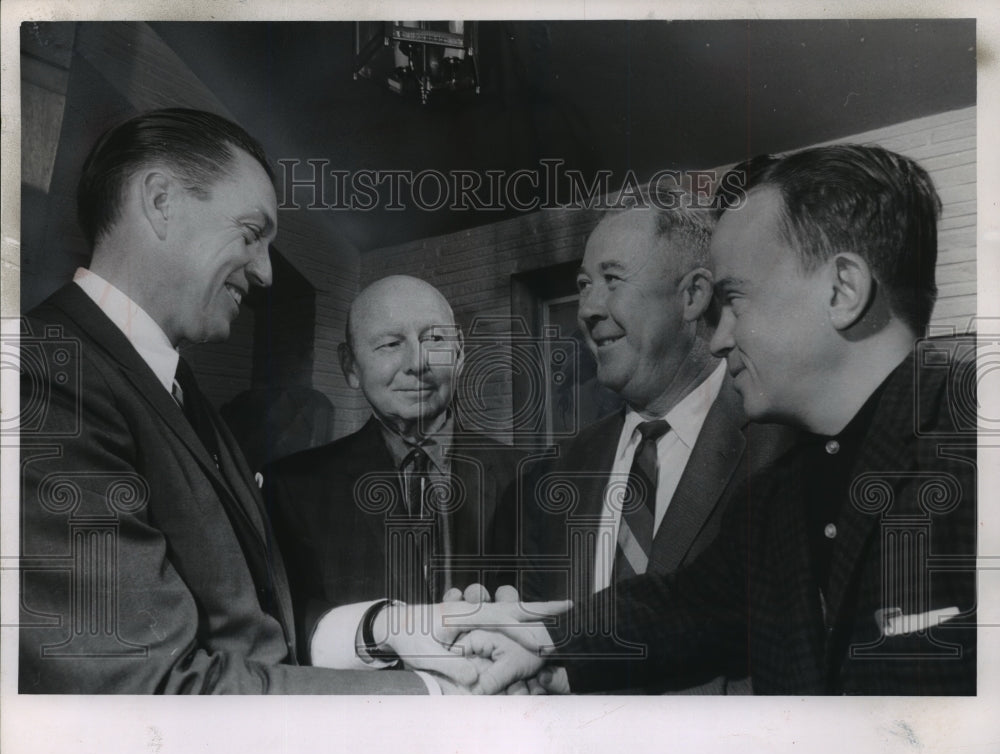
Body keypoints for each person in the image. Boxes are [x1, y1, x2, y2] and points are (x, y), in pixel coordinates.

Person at [18, 108, 533, 694]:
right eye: (250, 234)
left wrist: (385, 626)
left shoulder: (178, 393)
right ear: (161, 202)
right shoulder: (42, 378)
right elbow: (154, 687)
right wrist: (435, 696)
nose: (265, 273)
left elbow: (250, 624)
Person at [455, 144, 977, 696]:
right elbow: (679, 608)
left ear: (842, 290)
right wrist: (540, 643)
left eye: (735, 300)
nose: (720, 334)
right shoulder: (776, 503)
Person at [515, 203, 789, 693]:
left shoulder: (780, 446)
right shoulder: (560, 470)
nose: (588, 309)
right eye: (582, 285)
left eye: (613, 279)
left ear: (692, 296)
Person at [264, 275, 525, 658]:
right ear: (350, 365)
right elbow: (286, 626)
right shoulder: (292, 489)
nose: (417, 363)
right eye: (389, 344)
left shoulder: (530, 476)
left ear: (460, 352)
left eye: (435, 340)